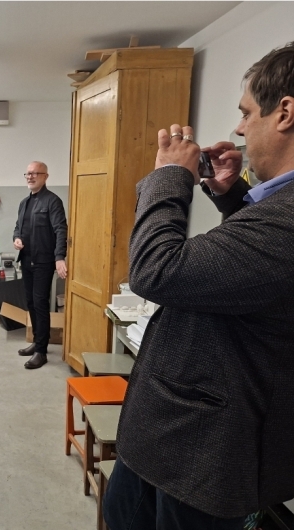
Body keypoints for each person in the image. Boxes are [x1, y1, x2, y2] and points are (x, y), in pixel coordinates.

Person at [104, 42, 294, 529]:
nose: (239, 129)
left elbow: (156, 269)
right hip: (177, 433)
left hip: (208, 452)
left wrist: (170, 175)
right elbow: (249, 271)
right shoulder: (276, 207)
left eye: (246, 113)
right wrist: (233, 196)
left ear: (285, 113)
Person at [12, 161, 68, 369]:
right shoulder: (24, 203)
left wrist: (59, 257)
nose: (30, 176)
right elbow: (18, 227)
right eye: (28, 173)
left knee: (40, 303)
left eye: (35, 173)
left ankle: (41, 351)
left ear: (45, 176)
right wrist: (16, 238)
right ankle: (37, 341)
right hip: (26, 259)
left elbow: (61, 230)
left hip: (44, 261)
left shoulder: (53, 201)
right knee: (30, 302)